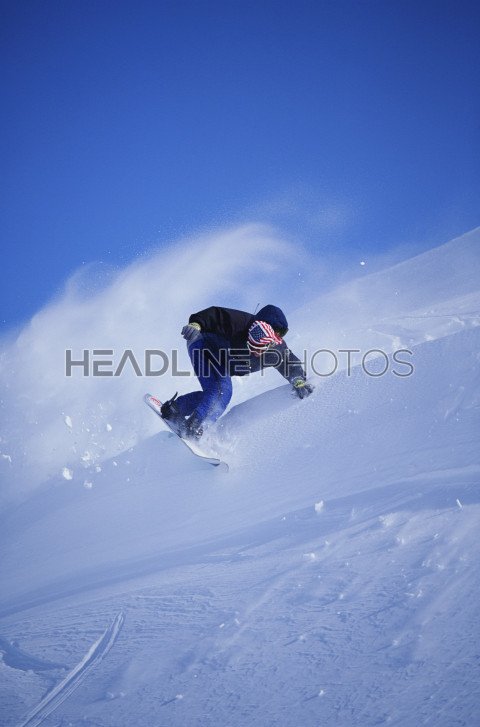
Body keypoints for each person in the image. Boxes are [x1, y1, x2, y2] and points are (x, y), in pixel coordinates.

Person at [161, 304, 313, 439]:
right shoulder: (240, 323)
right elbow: (214, 314)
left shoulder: (275, 350)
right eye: (275, 330)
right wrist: (196, 324)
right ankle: (194, 427)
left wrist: (298, 379)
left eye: (280, 333)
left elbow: (289, 363)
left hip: (221, 360)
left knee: (216, 395)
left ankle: (176, 409)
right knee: (221, 391)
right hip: (203, 343)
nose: (257, 352)